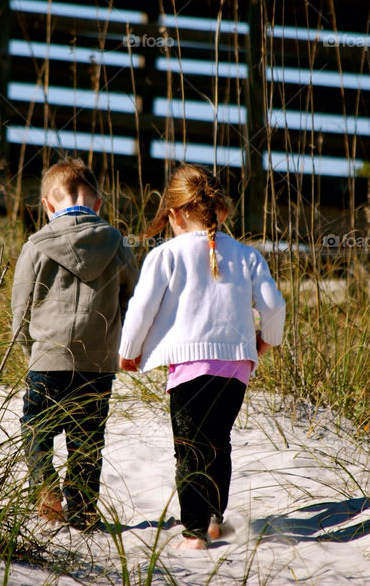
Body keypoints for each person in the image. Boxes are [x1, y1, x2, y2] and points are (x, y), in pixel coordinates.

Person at [118, 165, 285, 549]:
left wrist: (129, 353)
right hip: (237, 368)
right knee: (217, 442)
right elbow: (274, 306)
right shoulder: (247, 255)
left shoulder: (165, 255)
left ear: (174, 214)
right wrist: (265, 341)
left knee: (190, 448)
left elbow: (141, 309)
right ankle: (214, 520)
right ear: (219, 212)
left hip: (190, 369)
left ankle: (195, 531)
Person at [11, 157, 138, 530]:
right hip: (98, 364)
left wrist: (29, 351)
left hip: (47, 358)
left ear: (47, 205)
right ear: (98, 204)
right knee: (87, 438)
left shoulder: (36, 245)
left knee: (36, 426)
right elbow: (135, 301)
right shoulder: (118, 245)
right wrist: (119, 344)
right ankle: (83, 509)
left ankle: (45, 490)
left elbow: (21, 309)